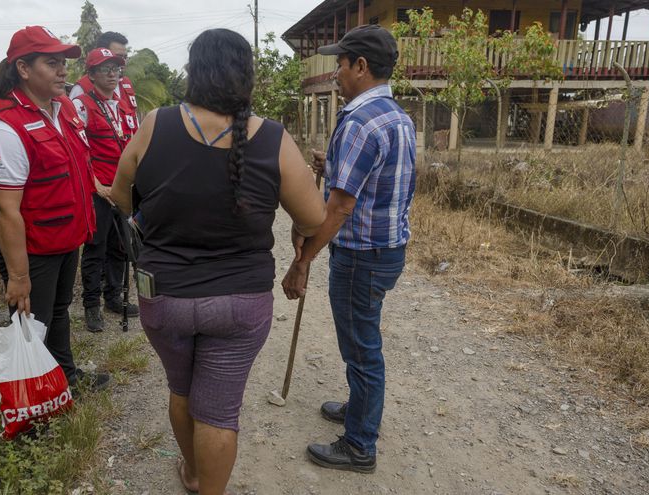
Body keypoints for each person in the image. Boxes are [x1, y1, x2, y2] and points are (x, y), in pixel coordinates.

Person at [110, 29, 326, 495]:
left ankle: (191, 472)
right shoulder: (272, 137)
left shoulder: (155, 123)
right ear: (246, 76)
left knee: (181, 389)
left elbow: (121, 197)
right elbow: (313, 218)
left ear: (194, 72)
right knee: (219, 411)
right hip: (240, 303)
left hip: (165, 296)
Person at [281, 25, 416, 473]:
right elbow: (377, 177)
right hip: (386, 251)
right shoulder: (396, 116)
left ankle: (359, 445)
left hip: (361, 256)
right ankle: (360, 409)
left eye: (340, 63)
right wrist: (335, 164)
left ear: (360, 66)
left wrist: (302, 262)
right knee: (362, 341)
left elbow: (339, 208)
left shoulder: (359, 122)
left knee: (361, 349)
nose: (335, 72)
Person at [0, 25, 109, 392]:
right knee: (31, 321)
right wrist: (18, 277)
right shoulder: (5, 126)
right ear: (23, 68)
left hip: (64, 235)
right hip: (31, 243)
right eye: (52, 63)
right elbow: (6, 209)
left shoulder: (63, 108)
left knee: (59, 310)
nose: (63, 71)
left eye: (63, 62)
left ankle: (65, 379)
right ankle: (29, 401)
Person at [73, 47, 140, 332]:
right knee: (95, 247)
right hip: (99, 189)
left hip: (122, 187)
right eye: (105, 69)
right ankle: (92, 305)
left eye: (116, 68)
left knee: (121, 246)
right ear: (91, 74)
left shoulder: (123, 105)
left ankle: (114, 297)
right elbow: (78, 150)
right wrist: (96, 184)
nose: (113, 74)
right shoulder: (81, 105)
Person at [69, 31, 139, 120]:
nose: (123, 62)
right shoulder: (82, 87)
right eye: (118, 57)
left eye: (125, 57)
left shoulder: (126, 83)